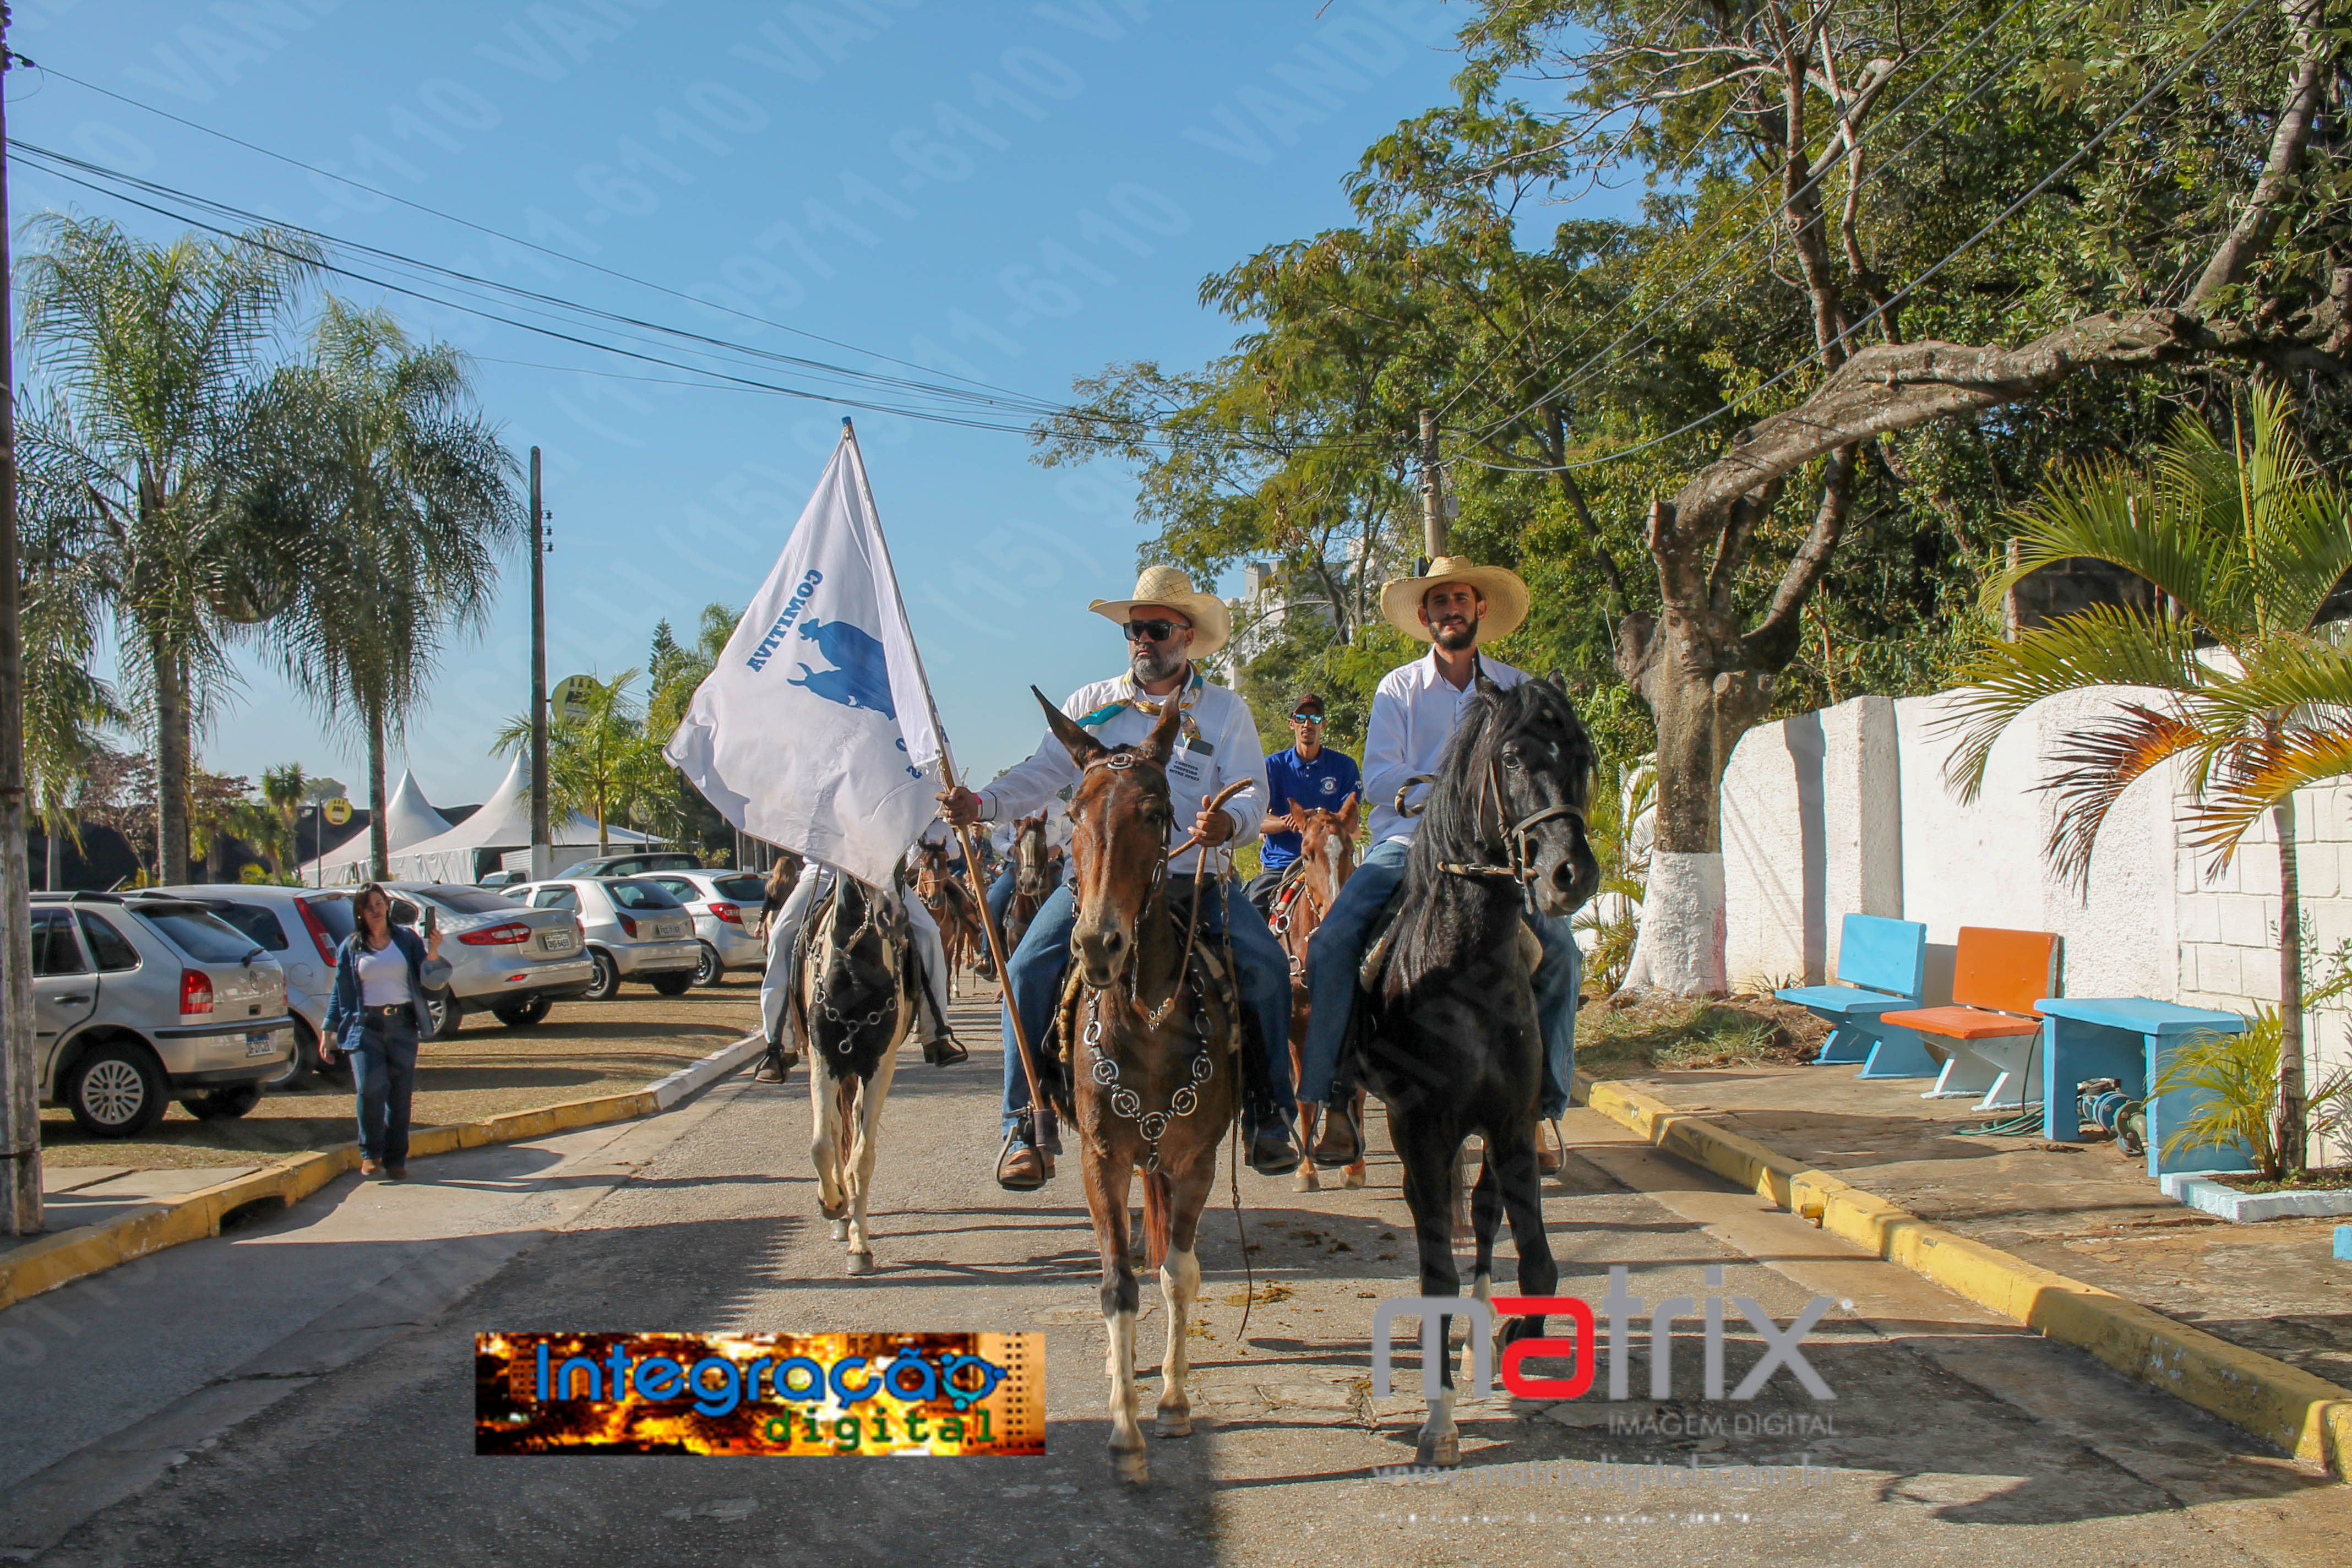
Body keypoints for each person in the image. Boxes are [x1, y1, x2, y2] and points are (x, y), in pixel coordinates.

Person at [938, 564, 1301, 1189]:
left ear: (1187, 636)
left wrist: (1229, 823)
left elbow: (1251, 793)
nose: (1143, 641)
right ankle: (1024, 1123)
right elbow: (1041, 774)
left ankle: (1271, 1114)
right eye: (1135, 630)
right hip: (1098, 887)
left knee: (1267, 965)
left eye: (1157, 629)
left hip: (1195, 878)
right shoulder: (1091, 705)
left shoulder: (1225, 711)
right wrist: (983, 803)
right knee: (1025, 970)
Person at [1294, 556, 1582, 1166]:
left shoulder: (1516, 689)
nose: (1451, 610)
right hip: (1408, 845)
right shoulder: (1398, 688)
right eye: (1440, 602)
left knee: (1561, 952)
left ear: (1480, 609)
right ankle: (1337, 1096)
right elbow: (1378, 778)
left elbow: (1537, 768)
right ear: (1426, 617)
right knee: (1332, 943)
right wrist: (1450, 796)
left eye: (1461, 600)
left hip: (1498, 855)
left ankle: (1543, 1106)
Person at [756, 851, 968, 1081]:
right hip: (824, 872)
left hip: (879, 874)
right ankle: (778, 1045)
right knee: (780, 936)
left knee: (929, 933)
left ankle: (937, 1032)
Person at [320, 881, 452, 1181]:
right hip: (364, 1027)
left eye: (379, 904)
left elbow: (431, 981)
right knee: (370, 1089)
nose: (375, 911)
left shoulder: (406, 939)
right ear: (360, 913)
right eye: (368, 907)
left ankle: (396, 1159)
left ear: (388, 906)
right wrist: (328, 1031)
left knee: (400, 1095)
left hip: (402, 1025)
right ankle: (371, 1153)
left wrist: (433, 952)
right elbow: (340, 992)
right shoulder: (351, 947)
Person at [1244, 690, 1362, 915]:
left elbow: (1352, 825)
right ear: (1292, 724)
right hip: (1282, 865)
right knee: (1250, 916)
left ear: (1323, 724)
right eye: (1301, 718)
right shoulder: (1272, 766)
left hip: (1333, 862)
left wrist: (1315, 818)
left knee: (1374, 912)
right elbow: (1257, 820)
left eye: (1315, 718)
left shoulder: (1345, 766)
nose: (1308, 724)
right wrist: (1288, 823)